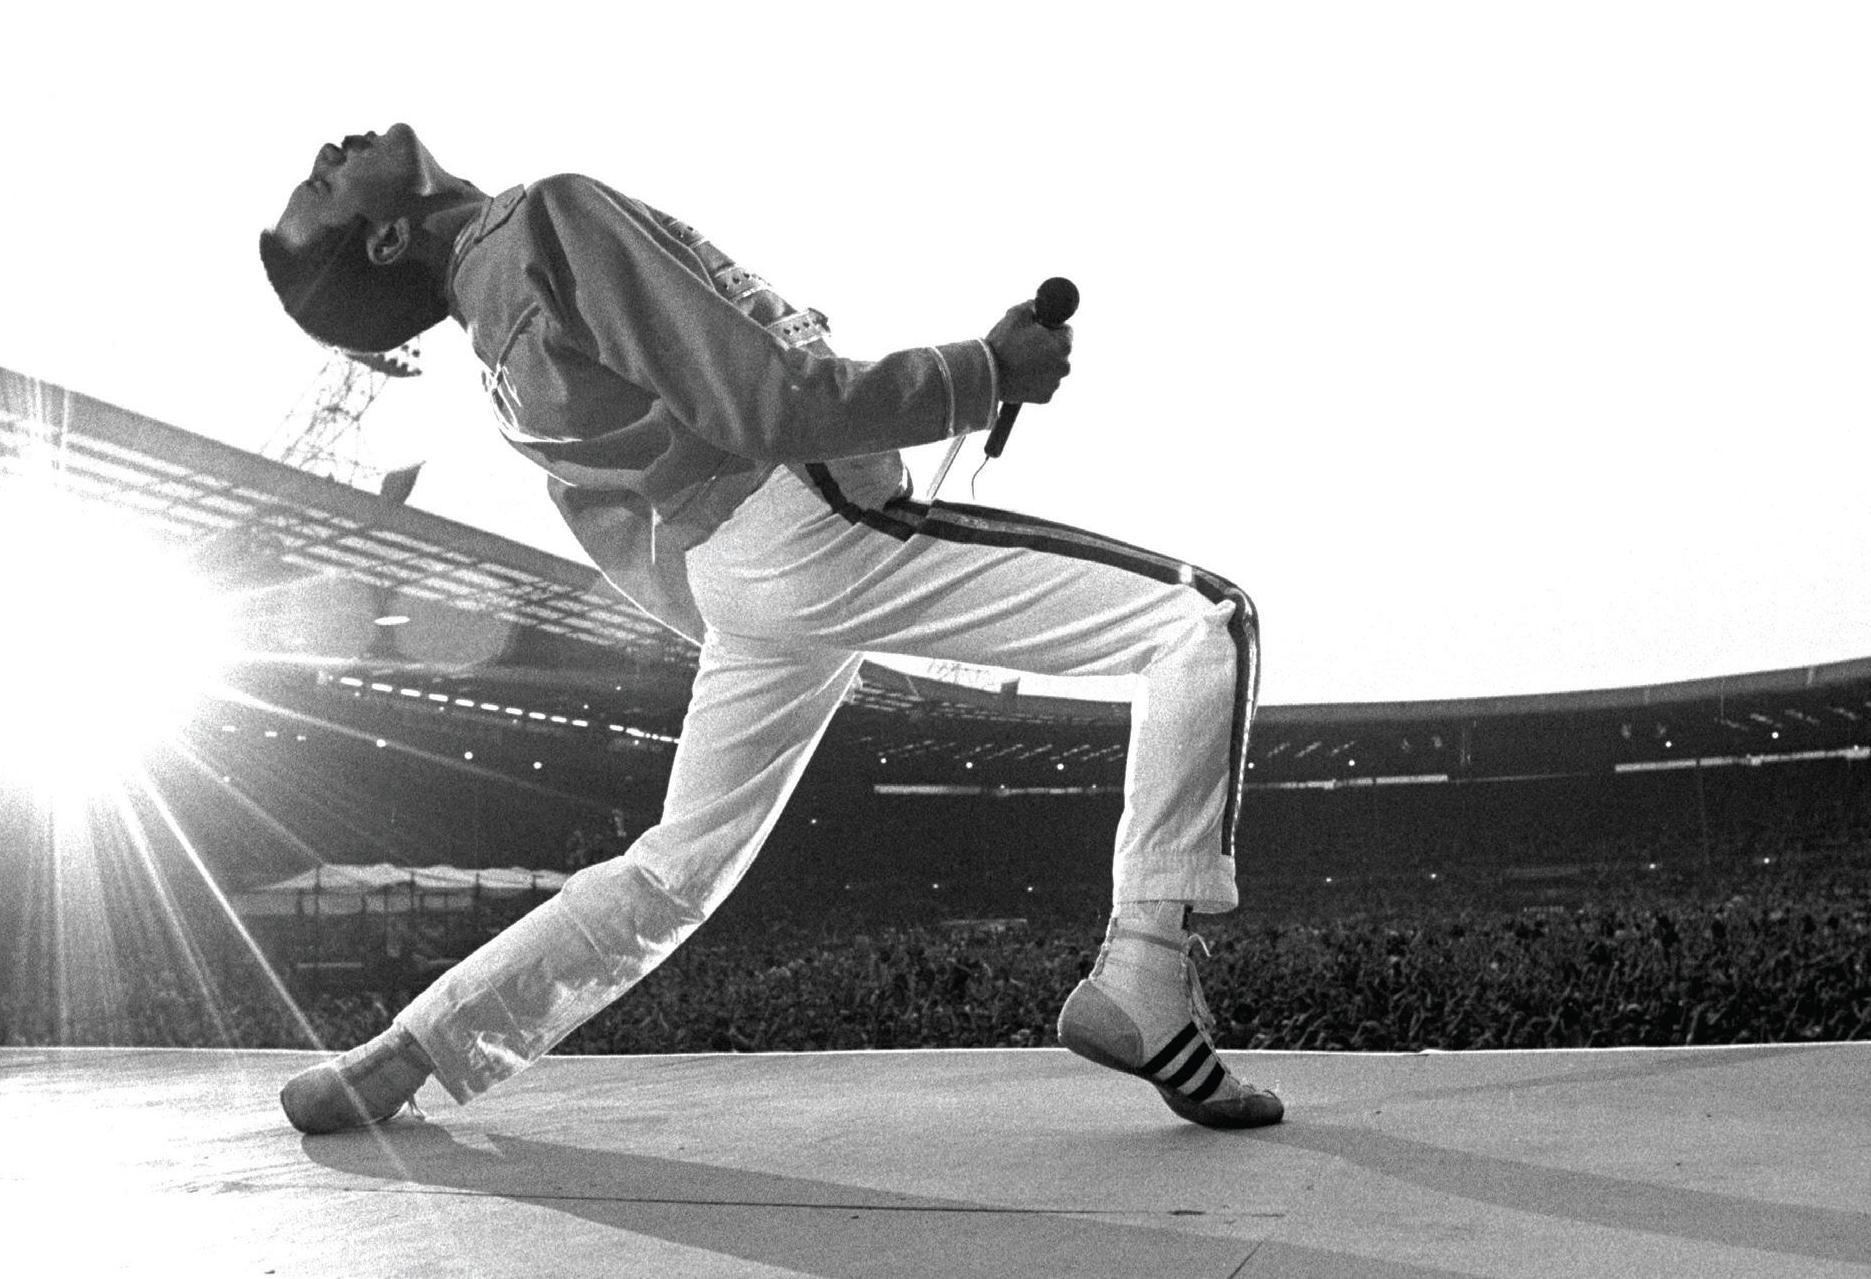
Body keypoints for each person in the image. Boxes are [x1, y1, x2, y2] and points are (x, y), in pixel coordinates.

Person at [261, 125, 1282, 1132]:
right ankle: (1148, 968)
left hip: (740, 575)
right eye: (325, 179)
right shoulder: (546, 217)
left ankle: (404, 1050)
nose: (332, 147)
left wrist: (742, 587)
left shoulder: (496, 354)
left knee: (670, 872)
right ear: (388, 241)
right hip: (805, 523)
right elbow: (767, 402)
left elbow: (628, 516)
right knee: (1202, 623)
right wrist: (982, 371)